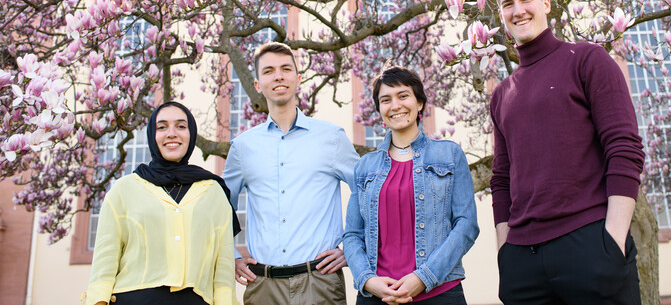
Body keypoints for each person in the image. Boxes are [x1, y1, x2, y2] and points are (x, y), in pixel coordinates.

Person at [489, 0, 646, 305]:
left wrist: (613, 240)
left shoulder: (588, 60)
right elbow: (501, 179)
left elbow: (624, 148)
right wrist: (505, 254)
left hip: (589, 246)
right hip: (522, 260)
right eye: (508, 4)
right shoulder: (502, 94)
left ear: (546, 2)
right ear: (501, 14)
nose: (518, 10)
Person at [222, 42, 360, 305]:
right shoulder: (242, 147)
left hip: (320, 282)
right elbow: (219, 208)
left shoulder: (331, 138)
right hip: (263, 285)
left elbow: (369, 194)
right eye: (269, 71)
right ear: (257, 84)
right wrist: (231, 255)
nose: (278, 76)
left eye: (286, 69)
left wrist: (354, 247)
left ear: (298, 79)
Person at [344, 66, 479, 305]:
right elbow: (353, 235)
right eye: (385, 100)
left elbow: (466, 225)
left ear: (419, 103)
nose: (395, 105)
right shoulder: (365, 167)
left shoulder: (449, 154)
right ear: (379, 109)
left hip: (439, 293)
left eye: (403, 96)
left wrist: (423, 278)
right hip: (377, 296)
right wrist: (366, 280)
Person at [85, 101, 240, 305]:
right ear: (152, 134)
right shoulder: (124, 190)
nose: (172, 133)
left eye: (181, 126)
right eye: (162, 127)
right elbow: (103, 267)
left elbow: (223, 271)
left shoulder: (214, 192)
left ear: (191, 134)